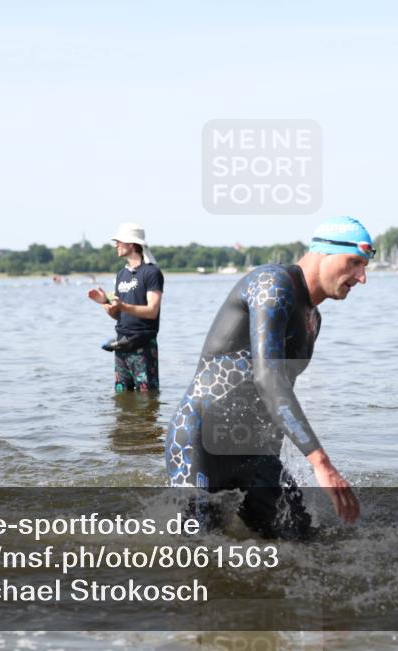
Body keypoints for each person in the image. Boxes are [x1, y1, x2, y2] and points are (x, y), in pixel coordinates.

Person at [164, 216, 370, 539]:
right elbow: (268, 377)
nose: (362, 277)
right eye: (354, 262)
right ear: (323, 253)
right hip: (200, 445)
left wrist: (272, 466)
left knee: (306, 542)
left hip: (254, 454)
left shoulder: (313, 319)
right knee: (197, 555)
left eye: (365, 266)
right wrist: (320, 462)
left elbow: (279, 395)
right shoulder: (272, 285)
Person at [88, 223, 164, 392]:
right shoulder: (121, 274)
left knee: (147, 398)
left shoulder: (152, 272)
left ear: (131, 243)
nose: (116, 245)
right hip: (121, 344)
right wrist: (105, 303)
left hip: (143, 346)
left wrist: (122, 305)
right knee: (121, 396)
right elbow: (119, 315)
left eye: (119, 241)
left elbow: (152, 311)